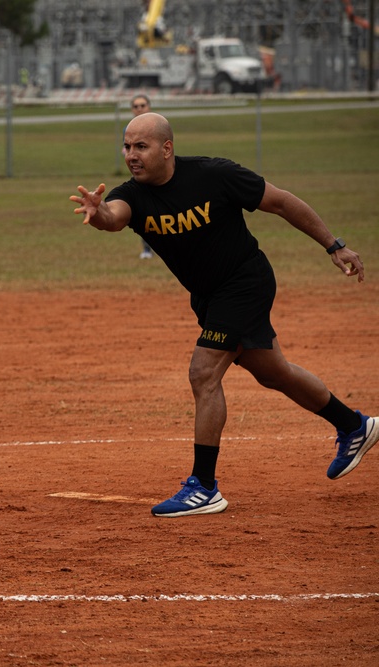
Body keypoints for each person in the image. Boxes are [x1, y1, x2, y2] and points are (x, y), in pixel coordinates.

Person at [70, 112, 376, 518]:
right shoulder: (135, 195)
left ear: (167, 148)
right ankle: (354, 425)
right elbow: (115, 217)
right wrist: (99, 214)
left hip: (245, 282)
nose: (131, 155)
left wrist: (333, 245)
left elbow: (282, 202)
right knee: (273, 371)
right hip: (210, 298)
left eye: (140, 146)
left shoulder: (215, 175)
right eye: (126, 146)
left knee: (203, 372)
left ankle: (204, 486)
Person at [127, 94, 154, 259]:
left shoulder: (157, 127)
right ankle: (147, 249)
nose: (139, 109)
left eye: (142, 105)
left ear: (149, 107)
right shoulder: (128, 129)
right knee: (144, 213)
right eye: (136, 106)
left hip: (158, 176)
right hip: (141, 177)